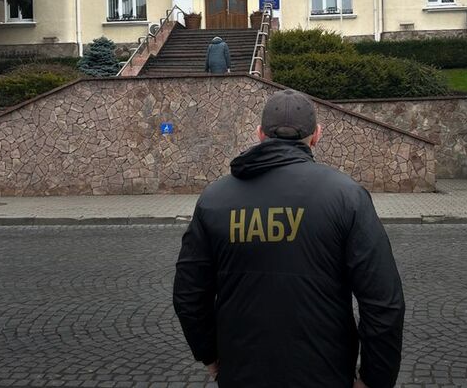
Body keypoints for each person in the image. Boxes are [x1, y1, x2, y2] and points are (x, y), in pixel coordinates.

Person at [173, 89, 405, 388]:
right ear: (316, 135)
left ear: (260, 134)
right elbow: (383, 302)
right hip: (325, 373)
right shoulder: (347, 196)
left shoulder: (214, 198)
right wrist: (374, 379)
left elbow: (189, 293)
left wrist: (209, 355)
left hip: (241, 371)